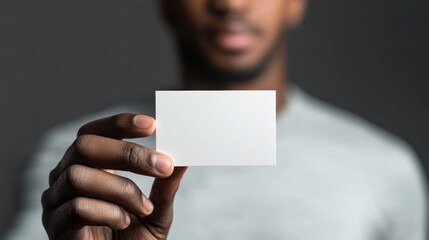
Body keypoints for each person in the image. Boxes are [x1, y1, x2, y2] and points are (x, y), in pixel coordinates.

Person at [6, 0, 427, 239]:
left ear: (295, 4)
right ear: (167, 5)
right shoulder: (82, 159)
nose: (230, 3)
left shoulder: (384, 167)